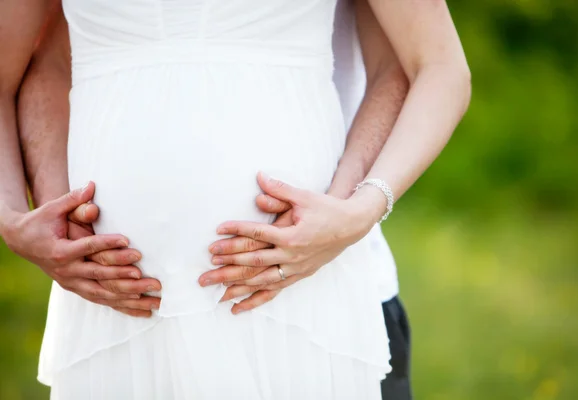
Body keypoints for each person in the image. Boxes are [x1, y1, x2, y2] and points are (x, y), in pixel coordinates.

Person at [1, 0, 470, 398]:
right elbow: (37, 62)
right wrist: (16, 216)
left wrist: (359, 210)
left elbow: (430, 64)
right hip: (116, 306)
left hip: (300, 300)